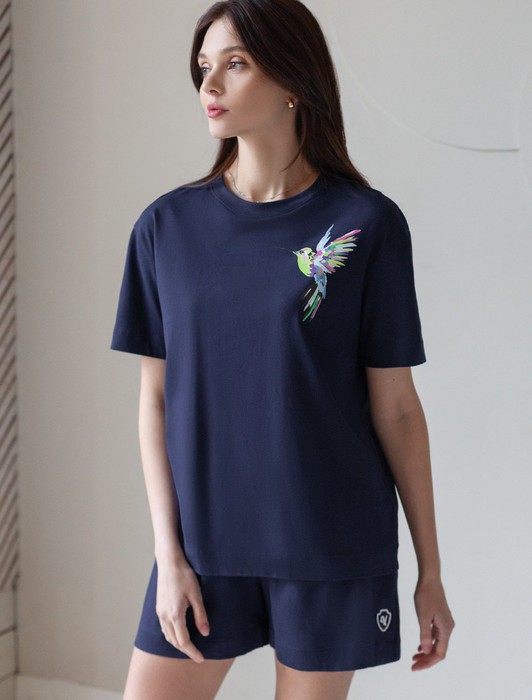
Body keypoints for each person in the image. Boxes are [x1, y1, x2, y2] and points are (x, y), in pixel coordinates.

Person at [111, 1, 455, 698]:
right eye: (204, 67)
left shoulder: (367, 224)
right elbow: (156, 400)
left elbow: (396, 410)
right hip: (205, 545)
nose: (210, 85)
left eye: (235, 64)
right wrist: (168, 555)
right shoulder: (165, 229)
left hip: (329, 541)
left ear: (294, 79)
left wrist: (431, 572)